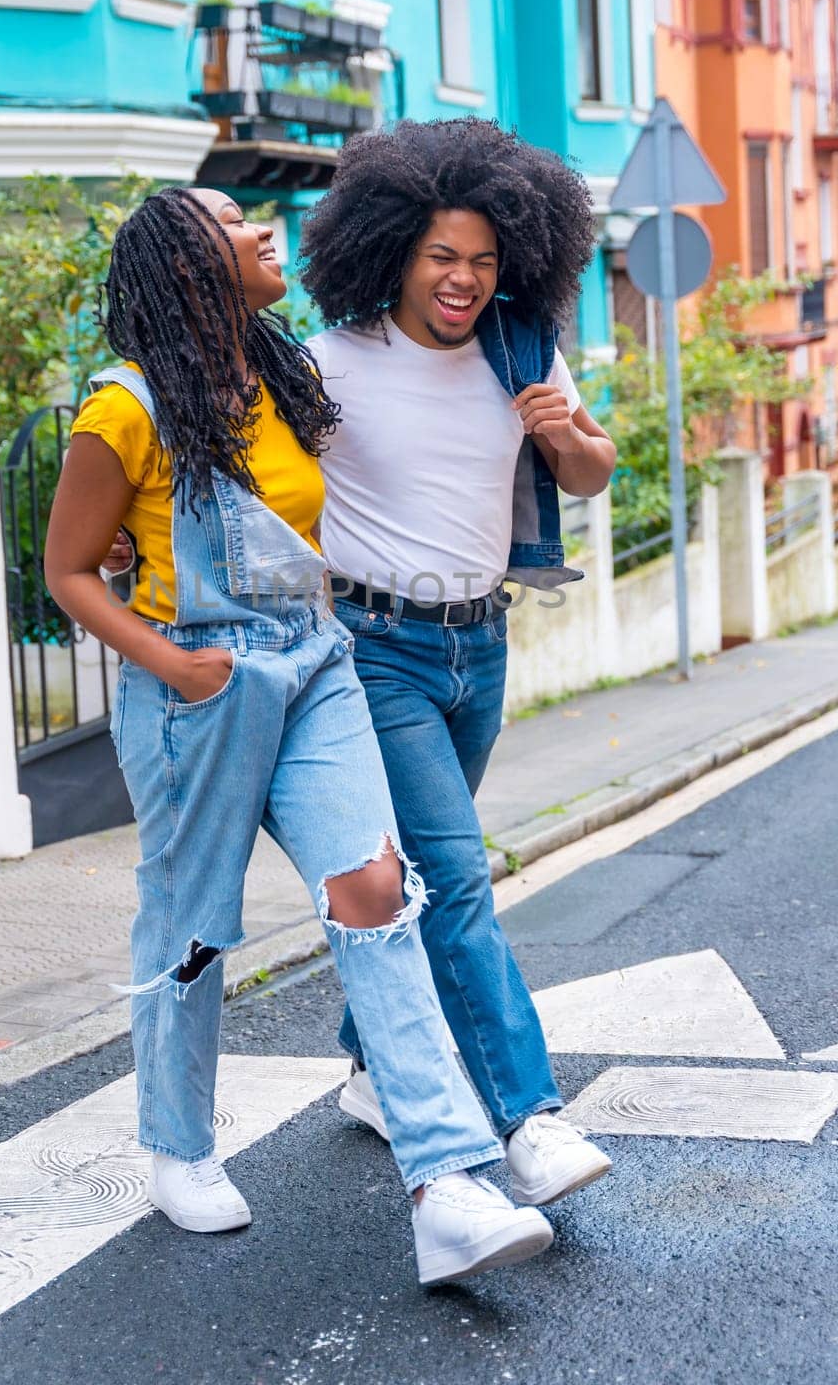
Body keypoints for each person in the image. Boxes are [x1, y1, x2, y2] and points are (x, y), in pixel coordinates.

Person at [44, 184, 556, 1288]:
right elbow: (68, 571)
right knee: (191, 924)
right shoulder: (120, 409)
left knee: (376, 885)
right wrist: (169, 659)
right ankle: (175, 1145)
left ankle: (445, 1184)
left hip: (316, 661)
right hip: (200, 682)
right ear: (186, 263)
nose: (261, 227)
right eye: (232, 219)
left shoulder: (282, 378)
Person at [297, 118, 618, 1208]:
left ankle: (364, 1067)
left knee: (426, 879)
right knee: (459, 876)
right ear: (389, 250)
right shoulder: (327, 364)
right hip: (373, 648)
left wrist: (557, 433)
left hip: (479, 645)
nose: (464, 279)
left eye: (482, 259)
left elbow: (590, 472)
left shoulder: (518, 351)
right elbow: (245, 479)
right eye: (442, 256)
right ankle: (526, 1117)